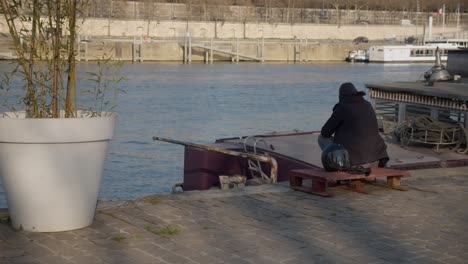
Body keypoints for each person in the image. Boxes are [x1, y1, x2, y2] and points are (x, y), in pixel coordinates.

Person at [318, 82, 389, 168]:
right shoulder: (367, 104)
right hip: (377, 155)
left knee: (321, 138)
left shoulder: (342, 107)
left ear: (341, 96)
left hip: (355, 159)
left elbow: (325, 132)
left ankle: (339, 164)